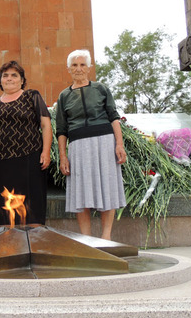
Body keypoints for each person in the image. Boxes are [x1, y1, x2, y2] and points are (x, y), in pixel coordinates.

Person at [55, 49, 127, 240]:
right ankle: (86, 239)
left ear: (89, 68)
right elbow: (61, 130)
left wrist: (119, 144)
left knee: (107, 186)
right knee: (81, 190)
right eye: (74, 65)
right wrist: (63, 156)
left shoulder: (101, 89)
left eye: (82, 65)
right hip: (77, 147)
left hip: (104, 143)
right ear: (69, 69)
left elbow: (114, 117)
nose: (79, 69)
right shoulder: (64, 96)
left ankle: (106, 237)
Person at [0, 60, 52, 225]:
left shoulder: (31, 96)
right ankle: (8, 244)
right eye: (5, 75)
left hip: (29, 158)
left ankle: (33, 244)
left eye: (14, 75)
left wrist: (46, 152)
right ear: (0, 81)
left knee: (31, 206)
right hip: (0, 162)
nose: (9, 78)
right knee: (4, 207)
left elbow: (46, 125)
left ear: (22, 80)